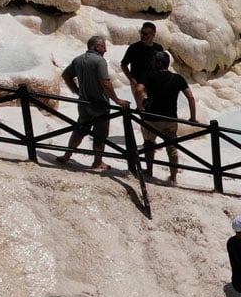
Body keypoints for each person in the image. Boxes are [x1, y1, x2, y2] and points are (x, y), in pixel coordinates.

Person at [58, 35, 130, 171]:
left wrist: (77, 91)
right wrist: (117, 100)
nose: (106, 49)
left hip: (84, 103)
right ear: (97, 46)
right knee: (100, 133)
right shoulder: (100, 61)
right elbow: (105, 82)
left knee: (79, 130)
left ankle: (67, 155)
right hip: (100, 104)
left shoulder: (78, 59)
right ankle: (97, 162)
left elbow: (66, 75)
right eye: (104, 46)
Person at [134, 51, 197, 184]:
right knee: (172, 147)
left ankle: (149, 170)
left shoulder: (149, 76)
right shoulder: (177, 78)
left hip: (152, 118)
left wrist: (140, 107)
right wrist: (193, 118)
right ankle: (173, 177)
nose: (151, 63)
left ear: (158, 63)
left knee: (149, 144)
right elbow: (191, 97)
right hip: (170, 119)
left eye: (153, 61)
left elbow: (139, 90)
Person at [120, 22, 164, 87]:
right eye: (141, 33)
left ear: (153, 34)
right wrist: (132, 80)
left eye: (145, 34)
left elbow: (162, 66)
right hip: (138, 84)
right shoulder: (133, 48)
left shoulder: (158, 48)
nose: (142, 35)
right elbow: (123, 65)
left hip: (154, 84)